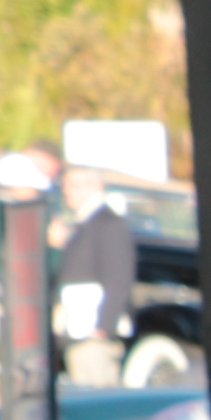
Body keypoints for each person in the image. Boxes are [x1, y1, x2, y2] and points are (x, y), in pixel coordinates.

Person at [50, 163, 139, 390]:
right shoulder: (83, 225)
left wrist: (104, 327)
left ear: (95, 186)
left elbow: (119, 279)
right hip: (79, 332)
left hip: (93, 335)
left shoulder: (109, 224)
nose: (66, 191)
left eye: (72, 185)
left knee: (96, 394)